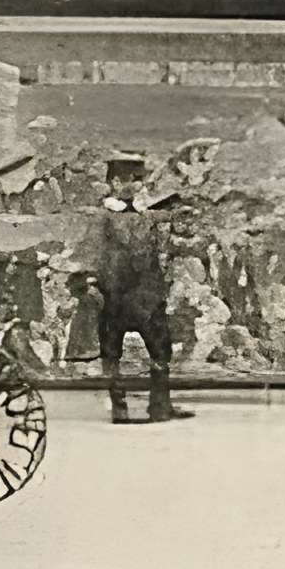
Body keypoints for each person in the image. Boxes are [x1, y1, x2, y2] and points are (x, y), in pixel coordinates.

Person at [81, 151, 192, 424]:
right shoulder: (106, 217)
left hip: (143, 297)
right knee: (114, 354)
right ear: (116, 183)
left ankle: (158, 406)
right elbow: (95, 253)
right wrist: (92, 285)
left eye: (140, 180)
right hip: (118, 297)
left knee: (159, 351)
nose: (139, 185)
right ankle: (123, 409)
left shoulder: (136, 214)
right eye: (134, 179)